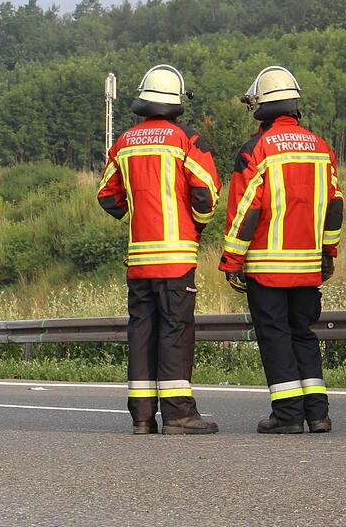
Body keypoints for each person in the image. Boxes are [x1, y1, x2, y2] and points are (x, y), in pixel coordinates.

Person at [97, 64, 222, 435]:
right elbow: (207, 193)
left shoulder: (123, 143)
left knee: (142, 332)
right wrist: (195, 223)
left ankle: (141, 417)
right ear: (176, 101)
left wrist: (135, 218)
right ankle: (180, 415)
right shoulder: (185, 141)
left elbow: (106, 195)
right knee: (175, 331)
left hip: (139, 260)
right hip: (176, 258)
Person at [219, 66, 343, 434]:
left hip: (268, 268)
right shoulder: (320, 147)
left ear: (260, 105)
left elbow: (246, 210)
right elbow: (334, 204)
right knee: (303, 333)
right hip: (308, 266)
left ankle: (287, 416)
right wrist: (328, 253)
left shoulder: (256, 150)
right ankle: (317, 413)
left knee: (275, 336)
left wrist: (232, 261)